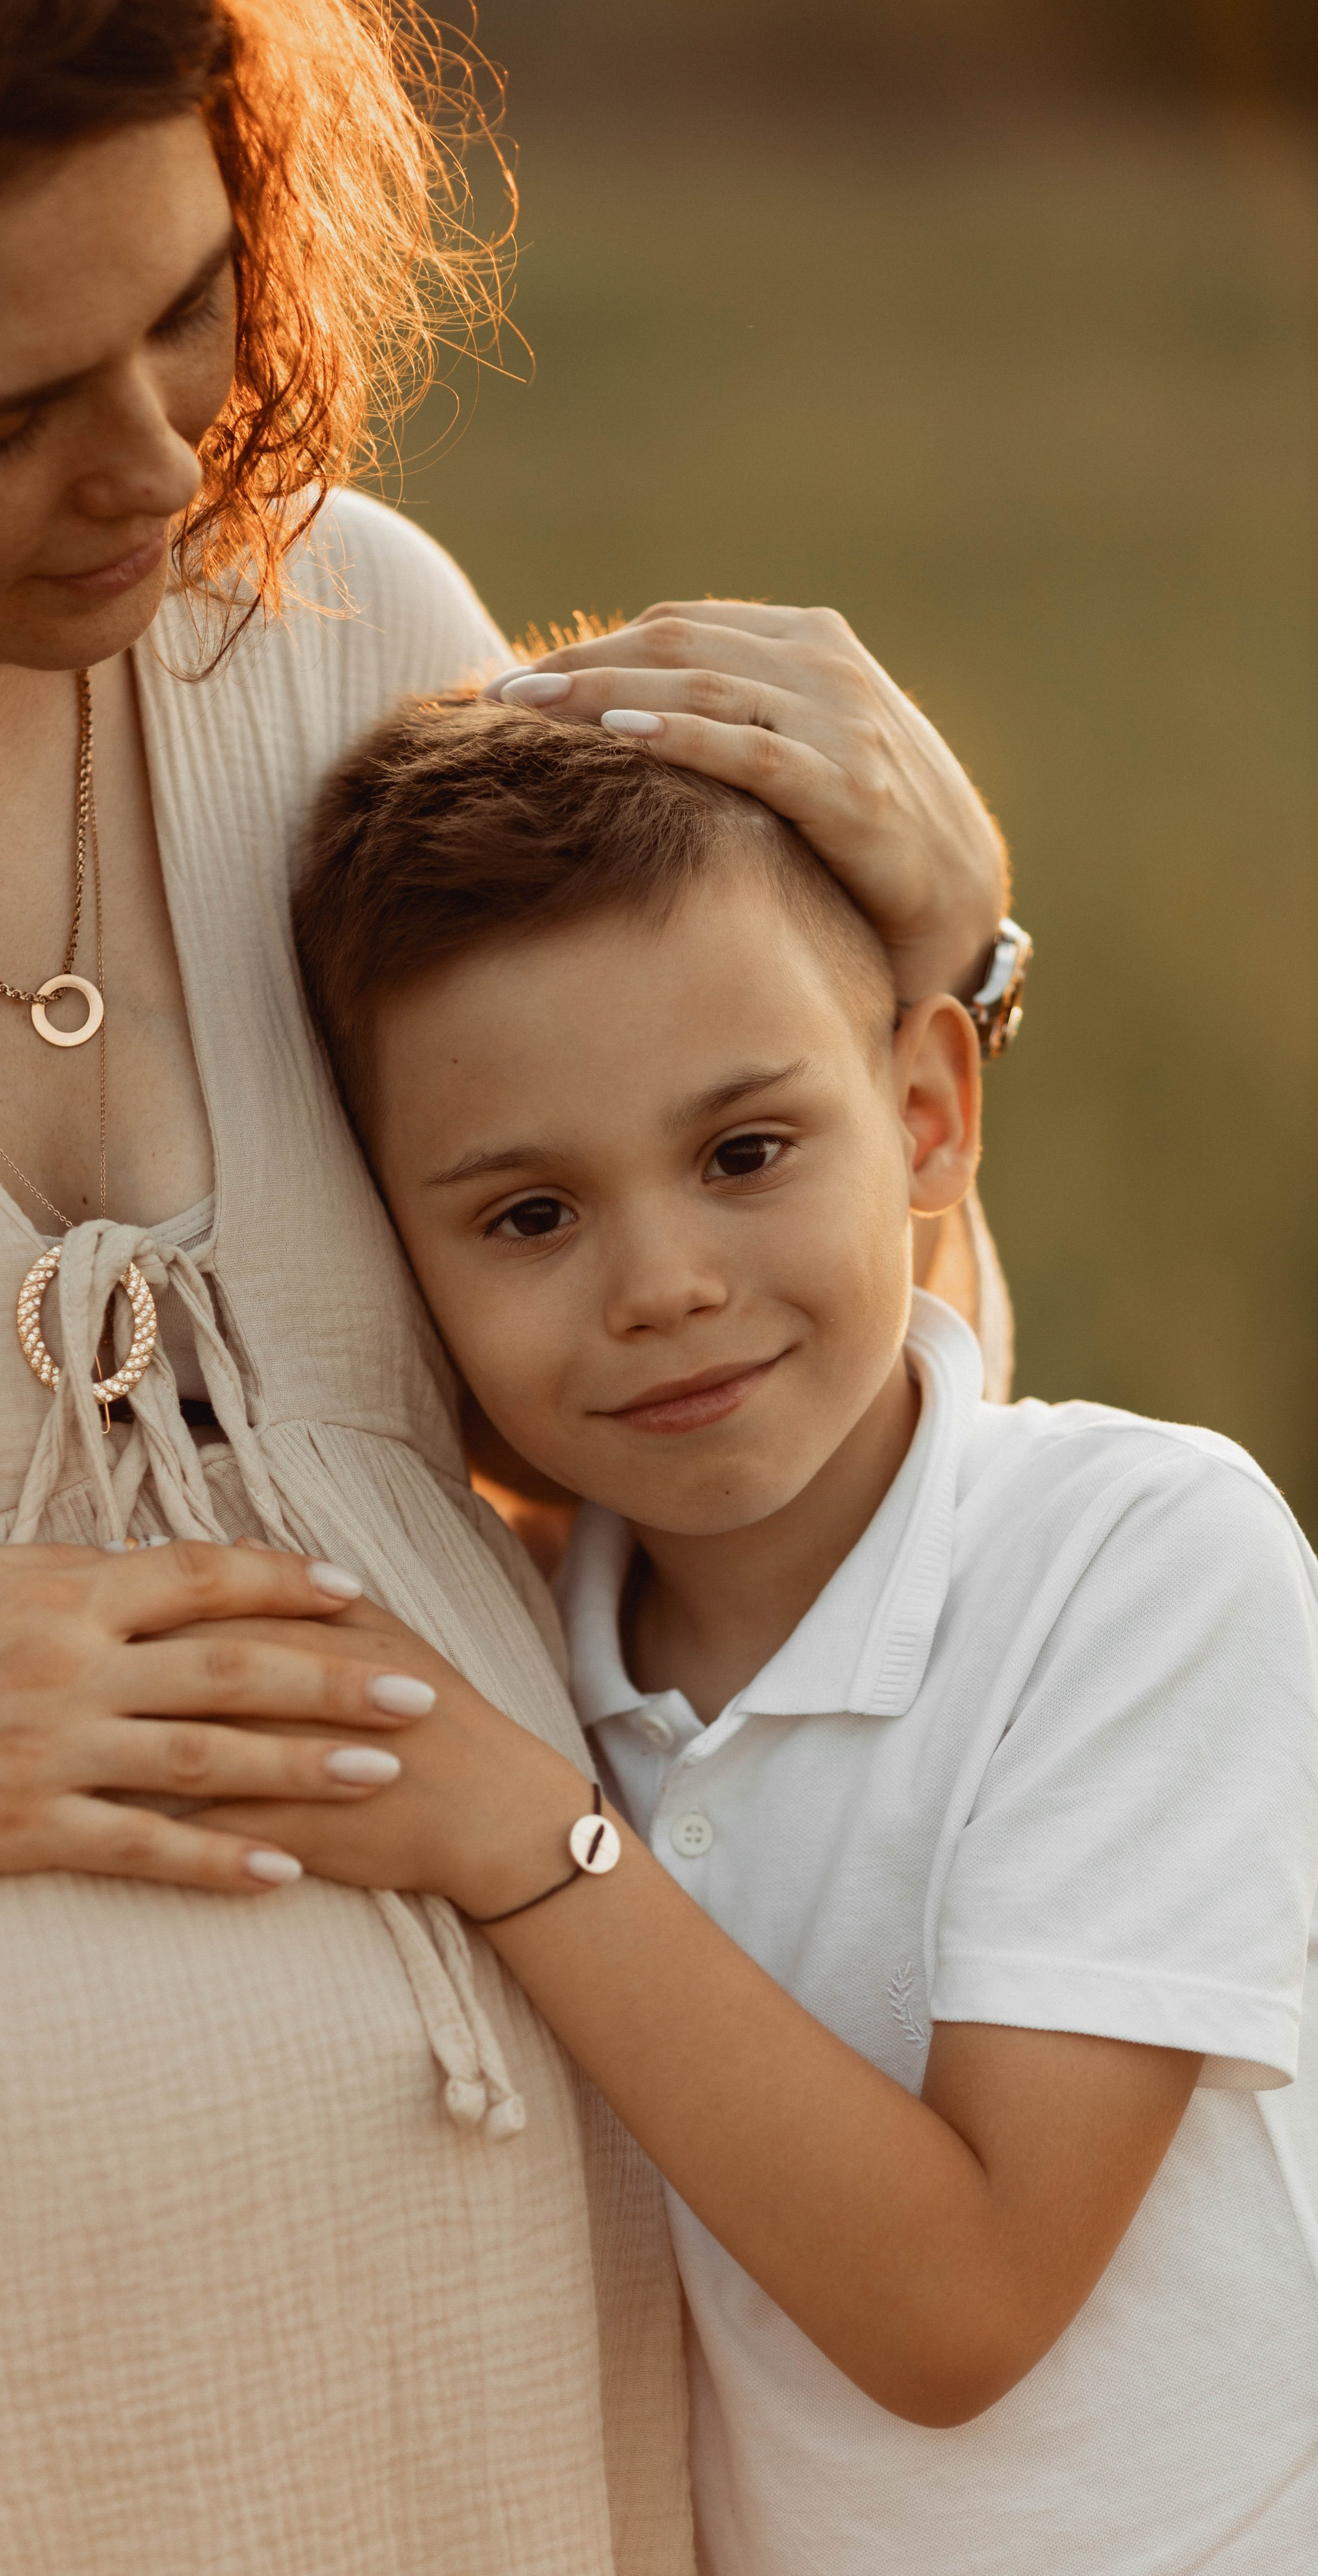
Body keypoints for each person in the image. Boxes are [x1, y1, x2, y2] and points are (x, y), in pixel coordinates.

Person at [0, 0, 1011, 2569]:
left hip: (449, 2441)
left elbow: (793, 1537)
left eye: (185, 301)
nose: (156, 462)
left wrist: (929, 987)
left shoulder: (349, 641)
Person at [245, 694, 1318, 2575]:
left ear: (925, 1111)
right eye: (531, 1213)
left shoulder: (1136, 1559)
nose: (663, 1285)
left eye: (744, 1154)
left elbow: (961, 2311)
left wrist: (538, 1845)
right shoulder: (499, 1638)